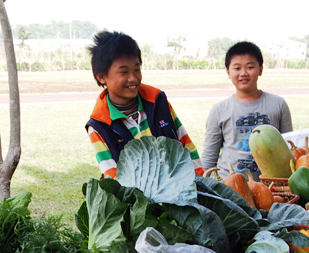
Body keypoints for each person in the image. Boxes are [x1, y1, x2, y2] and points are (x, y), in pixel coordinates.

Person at [85, 31, 203, 178]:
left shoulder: (158, 101)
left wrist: (200, 181)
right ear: (102, 77)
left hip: (180, 192)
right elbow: (112, 177)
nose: (133, 78)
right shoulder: (99, 126)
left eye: (137, 70)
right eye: (124, 72)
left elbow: (185, 144)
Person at [202, 41, 292, 179]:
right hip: (228, 186)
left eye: (250, 67)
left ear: (260, 69)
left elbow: (289, 149)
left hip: (271, 187)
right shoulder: (219, 110)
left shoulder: (278, 104)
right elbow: (209, 156)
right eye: (237, 68)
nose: (243, 73)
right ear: (228, 72)